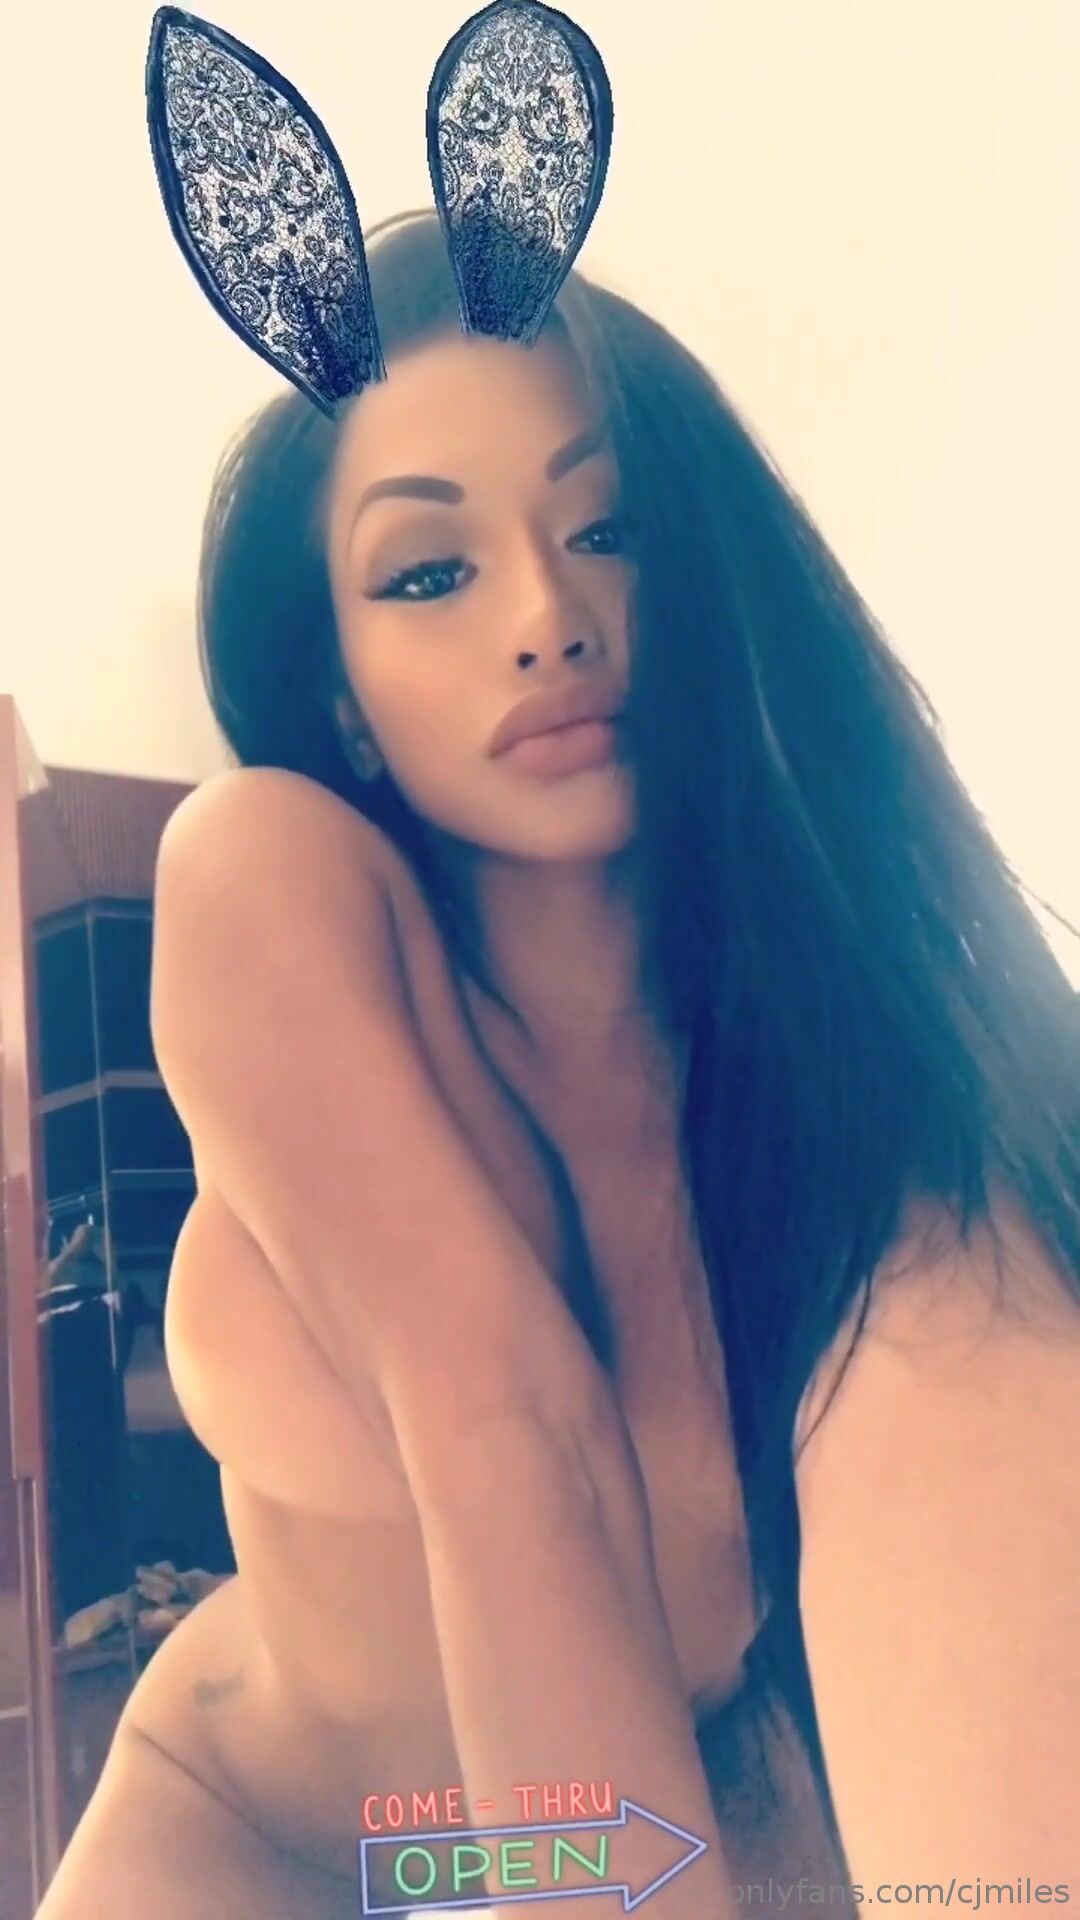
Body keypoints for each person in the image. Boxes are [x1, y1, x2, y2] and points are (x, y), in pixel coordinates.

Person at [34, 201, 1080, 1917]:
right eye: (430, 572)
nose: (546, 615)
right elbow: (512, 1436)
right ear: (344, 693)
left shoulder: (866, 1133)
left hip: (669, 1810)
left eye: (608, 530)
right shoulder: (272, 876)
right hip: (271, 1831)